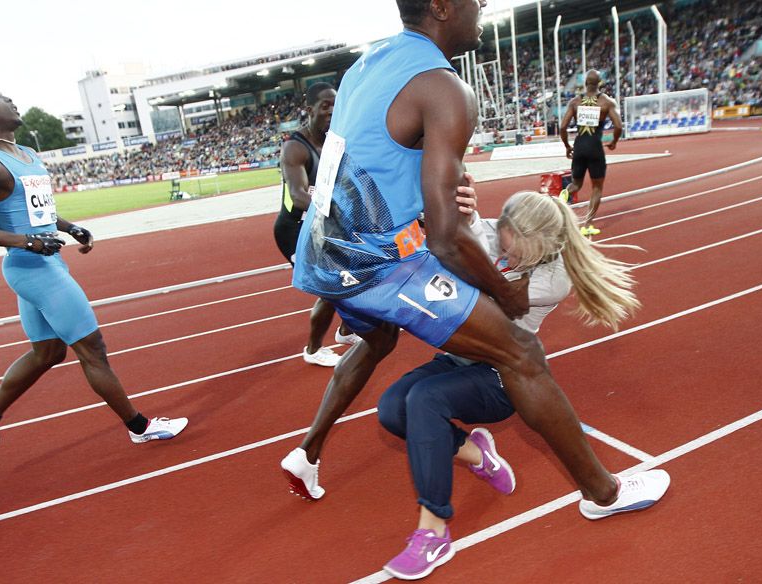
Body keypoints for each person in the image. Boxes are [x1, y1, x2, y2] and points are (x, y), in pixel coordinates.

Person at [281, 0, 669, 554]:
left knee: (379, 341)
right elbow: (444, 239)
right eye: (475, 0)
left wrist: (435, 197)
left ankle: (311, 450)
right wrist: (506, 290)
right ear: (441, 5)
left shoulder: (366, 65)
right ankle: (602, 494)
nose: (484, 5)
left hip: (321, 256)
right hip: (375, 263)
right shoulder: (444, 88)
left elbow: (368, 164)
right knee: (522, 354)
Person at [377, 189, 652, 580]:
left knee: (426, 399)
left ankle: (433, 531)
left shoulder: (554, 280)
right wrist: (452, 214)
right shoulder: (489, 232)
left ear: (541, 251)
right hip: (458, 359)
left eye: (514, 258)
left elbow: (479, 299)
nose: (504, 259)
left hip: (503, 374)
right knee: (392, 409)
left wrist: (452, 242)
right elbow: (465, 237)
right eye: (502, 248)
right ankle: (479, 456)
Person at [0, 83, 188, 469]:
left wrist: (69, 227)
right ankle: (139, 426)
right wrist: (24, 241)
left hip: (44, 263)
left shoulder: (26, 154)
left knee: (49, 352)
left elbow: (36, 212)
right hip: (32, 268)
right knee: (93, 349)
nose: (10, 98)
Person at [273, 82, 359, 367]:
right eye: (325, 106)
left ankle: (346, 331)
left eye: (336, 105)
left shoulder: (336, 142)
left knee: (355, 273)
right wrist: (337, 208)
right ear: (309, 110)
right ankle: (313, 349)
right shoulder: (294, 148)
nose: (332, 111)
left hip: (324, 225)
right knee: (331, 287)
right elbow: (299, 196)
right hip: (295, 230)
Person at [558, 69, 623, 236]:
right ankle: (587, 224)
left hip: (579, 146)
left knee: (576, 184)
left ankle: (566, 193)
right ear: (599, 83)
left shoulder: (574, 102)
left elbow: (563, 127)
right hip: (595, 147)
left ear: (585, 83)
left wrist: (567, 146)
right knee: (596, 188)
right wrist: (614, 142)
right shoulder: (606, 102)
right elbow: (618, 126)